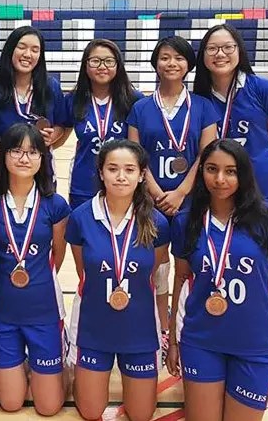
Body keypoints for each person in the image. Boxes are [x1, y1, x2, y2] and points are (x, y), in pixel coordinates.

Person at [166, 138, 268, 421]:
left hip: (255, 344)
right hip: (201, 340)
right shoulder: (186, 221)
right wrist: (173, 342)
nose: (220, 179)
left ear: (244, 174)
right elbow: (181, 279)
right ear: (201, 172)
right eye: (212, 169)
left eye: (231, 171)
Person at [193, 24, 268, 375]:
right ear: (203, 57)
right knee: (227, 263)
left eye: (227, 47)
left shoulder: (261, 88)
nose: (220, 54)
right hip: (219, 194)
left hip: (266, 194)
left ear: (239, 50)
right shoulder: (201, 98)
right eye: (212, 48)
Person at [128, 36, 218, 363]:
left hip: (190, 201)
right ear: (156, 63)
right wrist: (156, 192)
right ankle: (156, 326)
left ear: (188, 65)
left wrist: (181, 192)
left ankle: (180, 329)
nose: (172, 63)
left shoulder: (203, 107)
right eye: (165, 57)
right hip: (148, 200)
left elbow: (207, 155)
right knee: (155, 267)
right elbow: (136, 157)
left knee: (185, 268)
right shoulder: (140, 108)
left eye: (179, 58)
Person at [65, 139, 170, 421]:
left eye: (129, 170)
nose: (121, 176)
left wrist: (165, 328)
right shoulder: (80, 218)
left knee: (141, 415)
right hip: (93, 325)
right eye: (112, 169)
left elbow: (153, 275)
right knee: (90, 412)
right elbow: (84, 272)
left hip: (139, 328)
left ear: (142, 175)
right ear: (101, 172)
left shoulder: (158, 223)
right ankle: (72, 374)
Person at [0, 124, 70, 416]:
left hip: (44, 312)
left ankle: (56, 370)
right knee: (10, 404)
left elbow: (57, 255)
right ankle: (26, 369)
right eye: (16, 150)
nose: (24, 158)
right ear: (2, 155)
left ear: (43, 158)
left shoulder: (56, 205)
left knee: (49, 407)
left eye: (32, 152)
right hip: (2, 315)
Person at [0, 26, 66, 193]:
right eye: (22, 47)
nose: (28, 54)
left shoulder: (51, 88)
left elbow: (62, 125)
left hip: (42, 174)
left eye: (35, 50)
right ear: (10, 50)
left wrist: (51, 137)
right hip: (4, 175)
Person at [64, 39, 143, 210]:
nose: (102, 66)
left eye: (109, 61)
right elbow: (61, 134)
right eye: (95, 61)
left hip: (121, 183)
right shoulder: (73, 100)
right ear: (86, 65)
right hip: (83, 185)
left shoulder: (134, 100)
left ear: (118, 65)